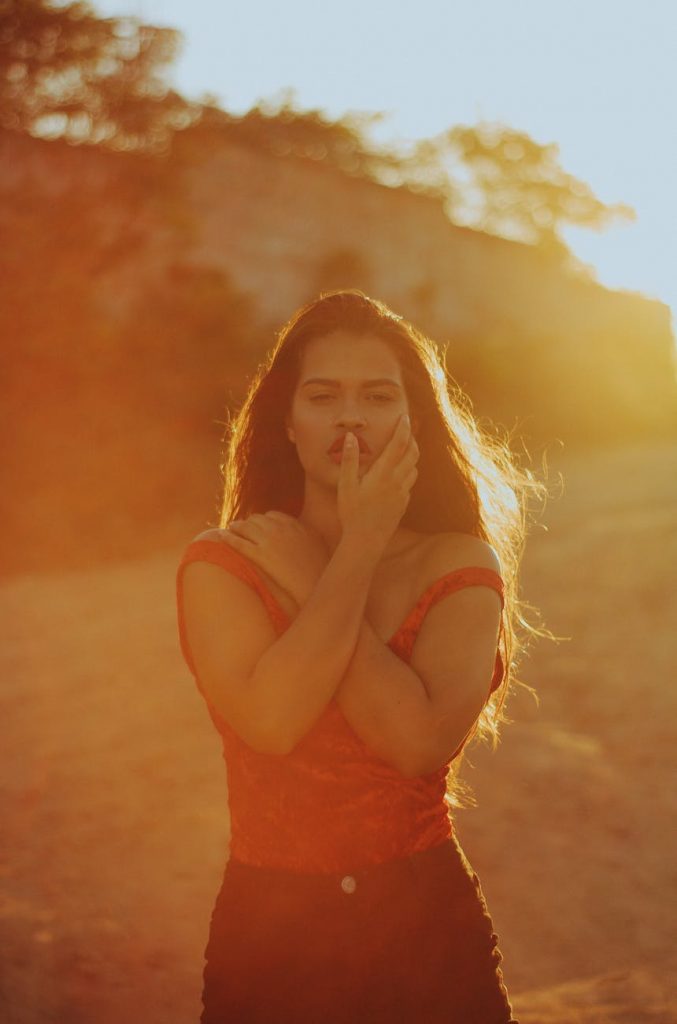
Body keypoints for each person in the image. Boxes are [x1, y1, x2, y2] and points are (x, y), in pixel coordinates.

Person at [176, 289, 541, 1022]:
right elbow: (272, 723)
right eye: (323, 396)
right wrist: (353, 555)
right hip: (269, 937)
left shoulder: (459, 565)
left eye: (378, 396)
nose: (350, 416)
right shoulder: (225, 564)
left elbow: (414, 743)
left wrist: (342, 557)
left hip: (426, 932)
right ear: (286, 421)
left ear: (413, 422)